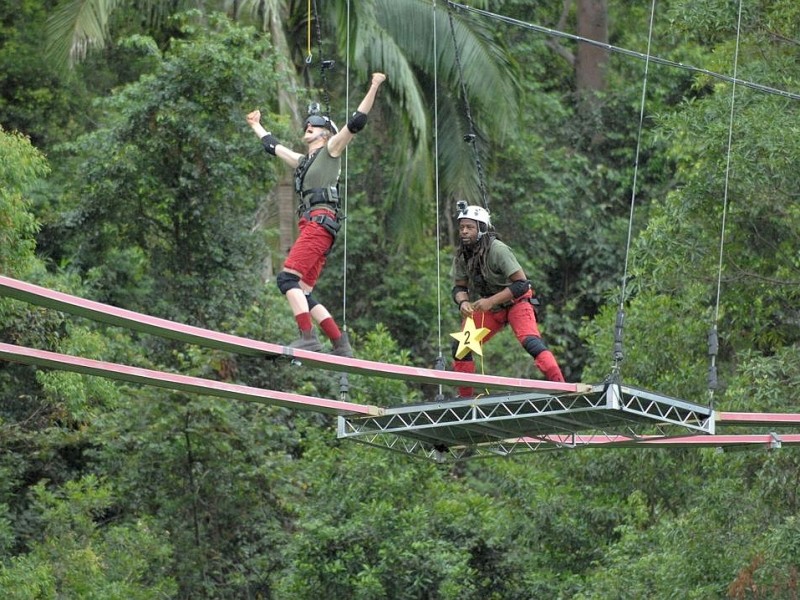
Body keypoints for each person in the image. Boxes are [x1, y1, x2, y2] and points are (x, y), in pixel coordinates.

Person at [247, 73, 387, 356]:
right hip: (315, 225)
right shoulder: (303, 162)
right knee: (304, 291)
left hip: (319, 224)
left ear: (326, 134)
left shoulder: (331, 150)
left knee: (286, 280)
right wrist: (256, 125)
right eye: (308, 125)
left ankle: (307, 337)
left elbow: (357, 121)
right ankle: (339, 343)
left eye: (315, 126)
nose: (309, 127)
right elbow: (273, 146)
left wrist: (373, 85)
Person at [450, 202, 565, 396]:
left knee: (531, 342)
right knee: (461, 346)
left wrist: (490, 301)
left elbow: (522, 284)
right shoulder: (462, 255)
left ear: (482, 229)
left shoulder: (498, 250)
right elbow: (459, 287)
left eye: (469, 227)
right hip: (491, 307)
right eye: (462, 227)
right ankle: (464, 398)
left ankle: (562, 387)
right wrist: (463, 302)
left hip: (516, 302)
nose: (464, 231)